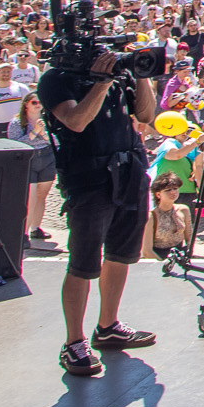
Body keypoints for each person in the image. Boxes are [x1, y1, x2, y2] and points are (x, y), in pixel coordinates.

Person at [37, 34, 162, 378]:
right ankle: (74, 342)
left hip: (129, 169)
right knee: (83, 262)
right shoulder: (55, 79)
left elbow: (146, 114)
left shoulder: (120, 75)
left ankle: (108, 326)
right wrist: (101, 82)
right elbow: (76, 120)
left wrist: (140, 73)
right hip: (88, 177)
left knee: (121, 254)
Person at [7, 91, 58, 246]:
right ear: (26, 105)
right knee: (31, 197)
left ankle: (35, 228)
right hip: (28, 158)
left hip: (47, 157)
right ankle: (23, 233)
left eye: (40, 102)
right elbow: (14, 143)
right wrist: (34, 132)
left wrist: (44, 134)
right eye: (34, 103)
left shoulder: (47, 119)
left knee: (42, 195)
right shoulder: (17, 122)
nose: (38, 106)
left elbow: (56, 140)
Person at [143, 171, 192, 260]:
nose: (173, 192)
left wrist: (187, 257)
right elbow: (146, 251)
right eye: (168, 190)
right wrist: (163, 264)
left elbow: (189, 239)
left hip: (178, 255)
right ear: (158, 194)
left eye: (175, 188)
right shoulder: (151, 216)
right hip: (158, 257)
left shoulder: (183, 210)